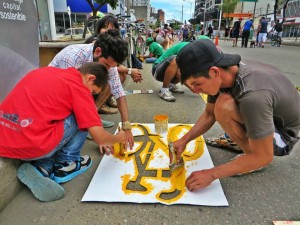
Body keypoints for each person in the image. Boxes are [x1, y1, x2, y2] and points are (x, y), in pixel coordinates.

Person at [175, 39, 300, 192]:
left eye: (197, 84)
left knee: (224, 106)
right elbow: (209, 115)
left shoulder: (253, 96)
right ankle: (248, 143)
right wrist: (184, 140)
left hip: (283, 137)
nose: (195, 91)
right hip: (265, 115)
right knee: (221, 103)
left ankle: (250, 156)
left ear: (214, 71)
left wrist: (211, 174)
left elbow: (265, 157)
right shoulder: (225, 72)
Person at [0, 62, 127, 202]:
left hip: (5, 139)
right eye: (93, 92)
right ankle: (67, 163)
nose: (91, 95)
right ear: (90, 78)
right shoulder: (79, 88)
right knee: (82, 116)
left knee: (53, 116)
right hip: (33, 145)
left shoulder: (44, 72)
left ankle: (43, 168)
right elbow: (101, 138)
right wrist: (119, 138)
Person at [49, 29, 134, 154]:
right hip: (56, 98)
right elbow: (72, 98)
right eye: (107, 65)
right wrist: (101, 137)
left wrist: (126, 127)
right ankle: (66, 156)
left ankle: (93, 122)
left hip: (76, 92)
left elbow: (119, 94)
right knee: (80, 118)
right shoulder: (72, 56)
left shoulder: (108, 61)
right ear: (98, 51)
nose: (109, 69)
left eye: (112, 67)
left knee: (108, 85)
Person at [85, 15, 143, 115]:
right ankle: (97, 108)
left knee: (118, 76)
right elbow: (107, 66)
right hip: (87, 79)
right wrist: (130, 71)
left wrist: (126, 123)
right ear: (99, 29)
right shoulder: (95, 42)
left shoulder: (114, 43)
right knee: (110, 78)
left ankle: (103, 102)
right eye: (105, 27)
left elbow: (114, 65)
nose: (108, 31)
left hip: (93, 78)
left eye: (112, 28)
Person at [151, 36, 211, 102]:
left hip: (164, 71)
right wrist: (191, 87)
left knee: (187, 68)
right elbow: (178, 72)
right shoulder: (185, 48)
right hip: (156, 70)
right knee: (175, 60)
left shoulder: (194, 51)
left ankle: (170, 85)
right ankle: (164, 91)